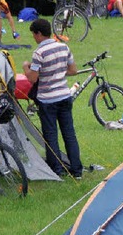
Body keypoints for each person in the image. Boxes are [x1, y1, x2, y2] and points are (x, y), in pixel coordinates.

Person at [22, 19, 83, 179]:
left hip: (47, 100)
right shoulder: (64, 47)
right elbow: (73, 70)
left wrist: (25, 67)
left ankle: (57, 170)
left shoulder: (38, 53)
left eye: (34, 35)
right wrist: (58, 72)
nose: (34, 38)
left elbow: (33, 78)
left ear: (39, 34)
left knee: (51, 135)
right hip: (64, 96)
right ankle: (77, 170)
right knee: (69, 133)